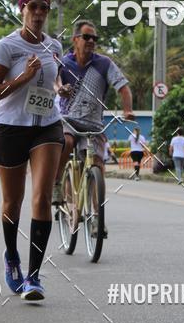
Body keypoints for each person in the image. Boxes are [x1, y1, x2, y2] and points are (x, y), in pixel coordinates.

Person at [0, 0, 64, 302]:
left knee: (42, 197)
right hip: (10, 127)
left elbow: (53, 80)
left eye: (44, 8)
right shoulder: (6, 47)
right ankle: (12, 257)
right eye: (33, 7)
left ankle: (33, 277)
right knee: (12, 203)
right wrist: (21, 79)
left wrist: (59, 88)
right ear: (22, 10)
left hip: (47, 126)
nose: (39, 14)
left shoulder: (54, 46)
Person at [54, 20, 134, 203]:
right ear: (75, 39)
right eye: (86, 37)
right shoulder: (64, 63)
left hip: (93, 125)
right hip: (68, 120)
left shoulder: (104, 64)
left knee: (96, 164)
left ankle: (98, 217)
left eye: (94, 38)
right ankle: (56, 183)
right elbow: (53, 80)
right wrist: (59, 88)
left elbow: (123, 88)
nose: (91, 41)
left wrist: (127, 110)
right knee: (66, 141)